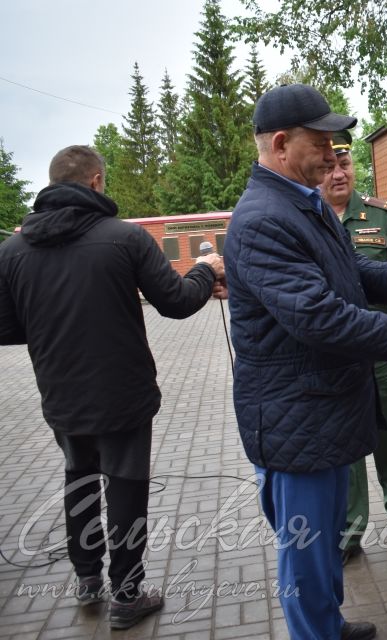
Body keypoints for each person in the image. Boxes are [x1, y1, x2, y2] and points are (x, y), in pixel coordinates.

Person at [224, 84, 387, 640]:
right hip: (295, 417)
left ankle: (328, 625)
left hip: (321, 409)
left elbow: (342, 270)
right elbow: (320, 317)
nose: (334, 153)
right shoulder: (263, 218)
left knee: (325, 539)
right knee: (306, 554)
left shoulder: (299, 202)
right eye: (323, 141)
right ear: (282, 144)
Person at [0, 145, 225, 630]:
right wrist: (208, 270)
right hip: (122, 392)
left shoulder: (14, 250)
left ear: (52, 184)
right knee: (125, 487)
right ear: (97, 181)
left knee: (77, 477)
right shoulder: (125, 239)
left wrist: (51, 326)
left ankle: (87, 581)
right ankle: (127, 594)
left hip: (60, 393)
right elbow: (178, 303)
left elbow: (5, 328)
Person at [321, 130, 387, 564]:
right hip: (338, 351)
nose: (339, 174)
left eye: (345, 164)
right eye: (330, 166)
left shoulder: (381, 215)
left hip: (384, 346)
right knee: (345, 438)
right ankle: (349, 528)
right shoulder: (310, 221)